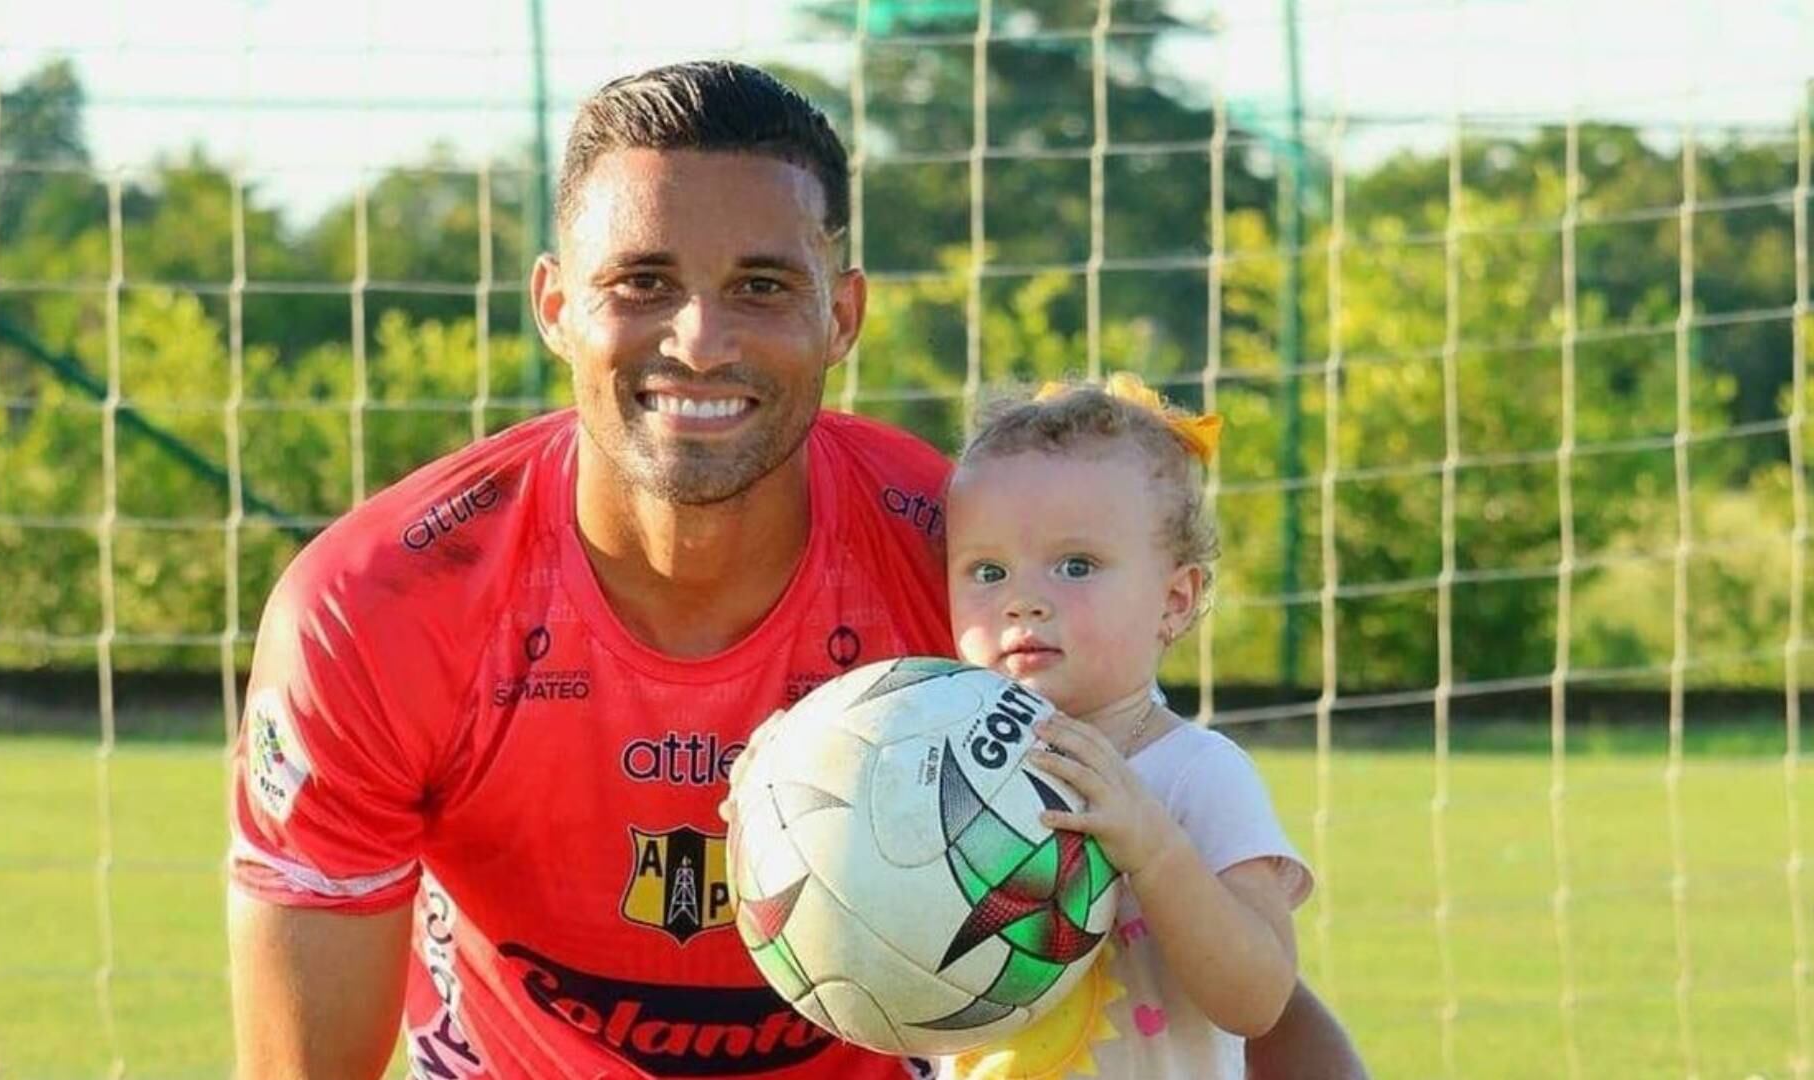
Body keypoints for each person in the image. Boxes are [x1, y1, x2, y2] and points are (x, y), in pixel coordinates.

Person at [225, 60, 1365, 1080]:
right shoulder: (377, 609)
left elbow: (1202, 950)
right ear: (556, 307)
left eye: (763, 286)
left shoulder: (965, 572)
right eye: (642, 282)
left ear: (844, 314)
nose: (702, 339)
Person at [928, 376, 1309, 1078]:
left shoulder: (1196, 773)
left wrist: (1155, 850)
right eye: (987, 570)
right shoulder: (928, 770)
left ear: (1174, 599)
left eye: (1076, 566)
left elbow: (1260, 1000)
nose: (1023, 602)